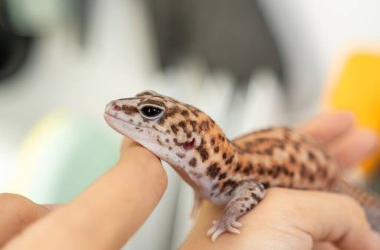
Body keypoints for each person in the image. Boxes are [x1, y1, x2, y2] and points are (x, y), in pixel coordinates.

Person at [0, 112, 379, 250]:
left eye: (149, 114)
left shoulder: (227, 175)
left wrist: (230, 218)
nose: (124, 113)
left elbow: (251, 189)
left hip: (325, 178)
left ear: (188, 140)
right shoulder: (213, 172)